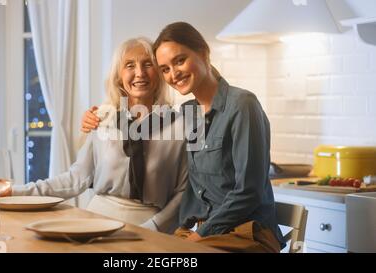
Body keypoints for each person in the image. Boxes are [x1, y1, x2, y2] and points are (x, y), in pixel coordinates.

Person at [81, 22, 284, 252]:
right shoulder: (190, 113)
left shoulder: (242, 105)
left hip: (246, 232)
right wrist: (97, 116)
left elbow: (249, 191)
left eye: (179, 60)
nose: (174, 74)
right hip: (197, 229)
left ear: (203, 53)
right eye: (165, 69)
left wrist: (201, 235)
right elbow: (140, 130)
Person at [0, 37, 188, 234]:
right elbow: (75, 179)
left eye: (148, 64)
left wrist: (152, 228)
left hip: (150, 227)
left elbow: (184, 191)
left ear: (159, 73)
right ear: (118, 76)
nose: (139, 73)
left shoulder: (181, 126)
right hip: (96, 221)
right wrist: (17, 192)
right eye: (129, 65)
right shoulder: (102, 120)